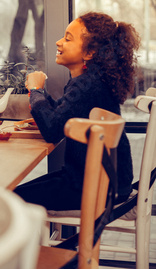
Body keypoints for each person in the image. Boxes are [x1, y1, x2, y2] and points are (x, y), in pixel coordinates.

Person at [14, 11, 140, 211]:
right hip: (107, 182)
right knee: (12, 194)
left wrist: (36, 91)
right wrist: (41, 95)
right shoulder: (91, 81)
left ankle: (28, 243)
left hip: (95, 187)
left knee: (9, 201)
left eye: (67, 38)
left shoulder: (86, 86)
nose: (58, 42)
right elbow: (62, 113)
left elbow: (52, 129)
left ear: (89, 53)